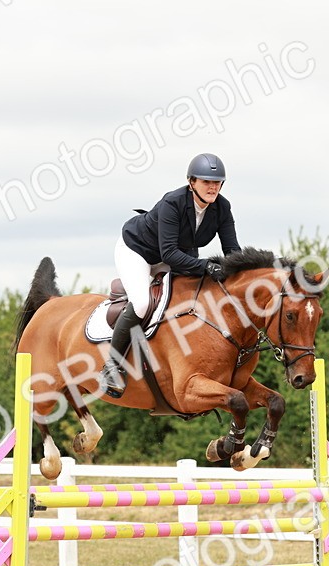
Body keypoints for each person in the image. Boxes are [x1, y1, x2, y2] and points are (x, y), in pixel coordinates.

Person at [99, 152, 242, 398]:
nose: (212, 187)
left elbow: (232, 251)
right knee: (143, 303)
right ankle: (112, 365)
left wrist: (244, 274)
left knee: (190, 297)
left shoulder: (222, 207)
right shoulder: (173, 203)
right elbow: (170, 253)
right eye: (206, 181)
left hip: (174, 255)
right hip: (138, 251)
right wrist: (207, 266)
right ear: (192, 182)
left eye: (217, 182)